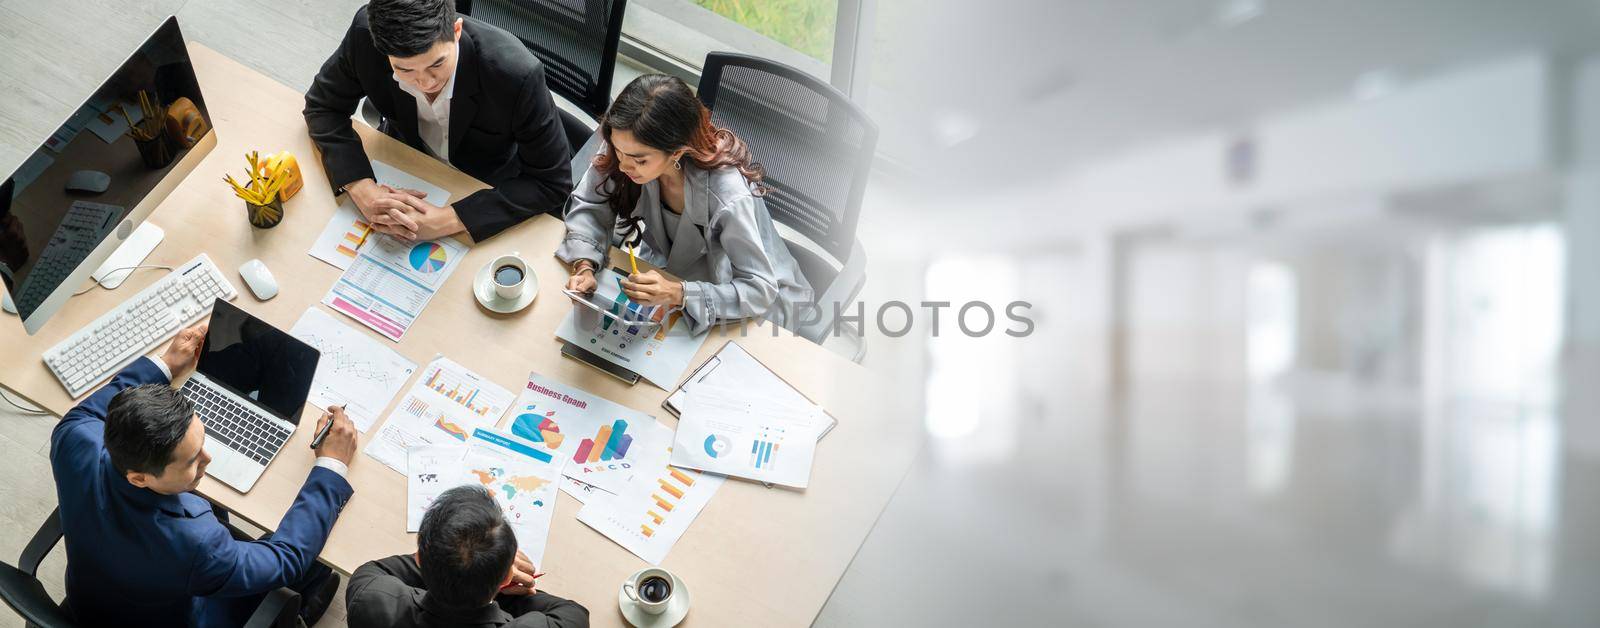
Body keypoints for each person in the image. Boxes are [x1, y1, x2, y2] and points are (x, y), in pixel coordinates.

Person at [48, 322, 359, 626]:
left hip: (94, 597)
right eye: (192, 462)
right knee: (309, 557)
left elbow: (91, 411)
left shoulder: (73, 439)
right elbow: (285, 560)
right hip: (174, 616)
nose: (208, 459)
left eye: (201, 443)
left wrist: (166, 363)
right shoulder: (196, 545)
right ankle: (301, 608)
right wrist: (331, 465)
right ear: (139, 477)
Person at [559, 74, 812, 334]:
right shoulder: (629, 144)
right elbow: (591, 203)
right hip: (676, 277)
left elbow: (759, 290)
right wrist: (585, 265)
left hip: (755, 306)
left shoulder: (727, 195)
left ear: (677, 151)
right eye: (617, 150)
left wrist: (679, 293)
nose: (623, 165)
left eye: (639, 160)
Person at [304, 0, 571, 243]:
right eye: (405, 70)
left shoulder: (515, 74)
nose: (425, 84)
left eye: (437, 64)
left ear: (456, 31)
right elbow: (323, 106)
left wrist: (447, 220)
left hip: (482, 186)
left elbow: (552, 183)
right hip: (404, 162)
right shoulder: (365, 35)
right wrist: (363, 189)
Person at [345, 485, 589, 627]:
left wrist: (477, 571)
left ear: (420, 556)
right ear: (506, 578)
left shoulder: (370, 598)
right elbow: (574, 615)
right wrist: (492, 577)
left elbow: (374, 571)